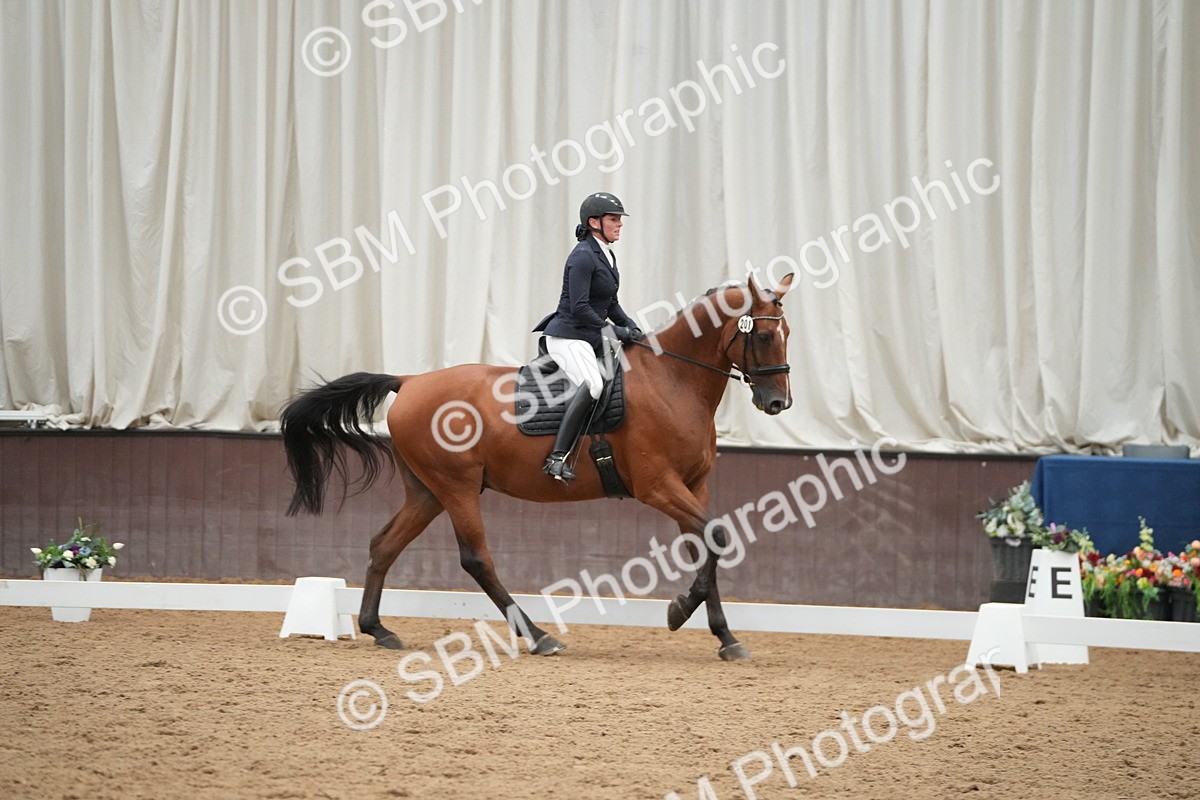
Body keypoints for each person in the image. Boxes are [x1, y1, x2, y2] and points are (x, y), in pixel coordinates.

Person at [532, 192, 643, 483]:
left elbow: (611, 303)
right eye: (613, 219)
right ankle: (556, 459)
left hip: (589, 337)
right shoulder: (582, 256)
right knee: (592, 383)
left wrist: (632, 328)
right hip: (568, 336)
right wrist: (614, 331)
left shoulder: (606, 253)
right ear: (594, 222)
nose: (619, 224)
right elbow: (579, 307)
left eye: (620, 219)